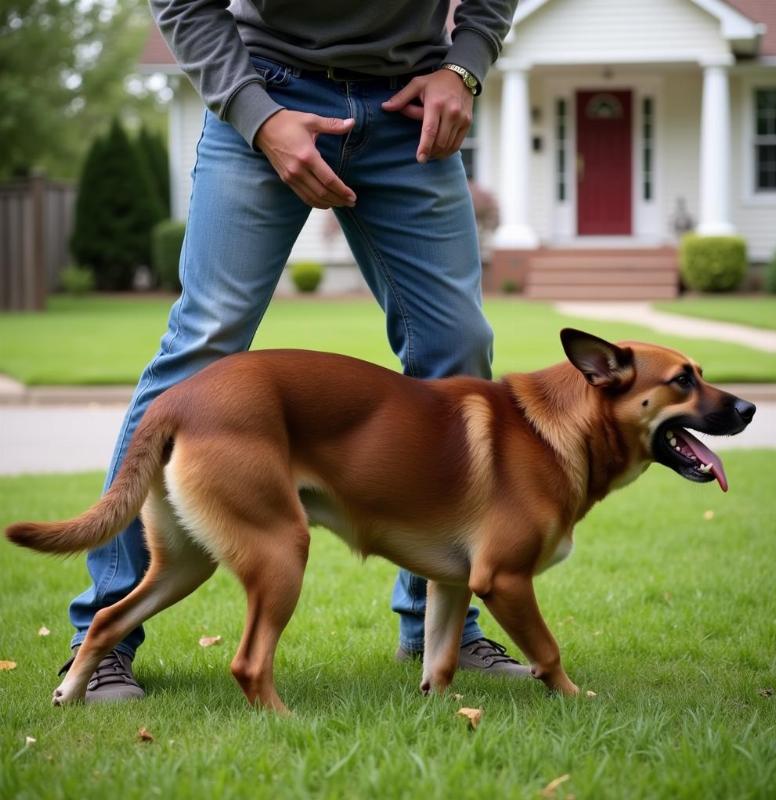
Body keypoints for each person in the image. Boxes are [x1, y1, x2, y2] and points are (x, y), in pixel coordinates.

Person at [63, 0, 530, 702]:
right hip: (266, 86)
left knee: (457, 349)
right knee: (202, 346)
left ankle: (439, 630)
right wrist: (260, 116)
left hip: (409, 103)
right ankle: (102, 641)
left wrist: (465, 67)